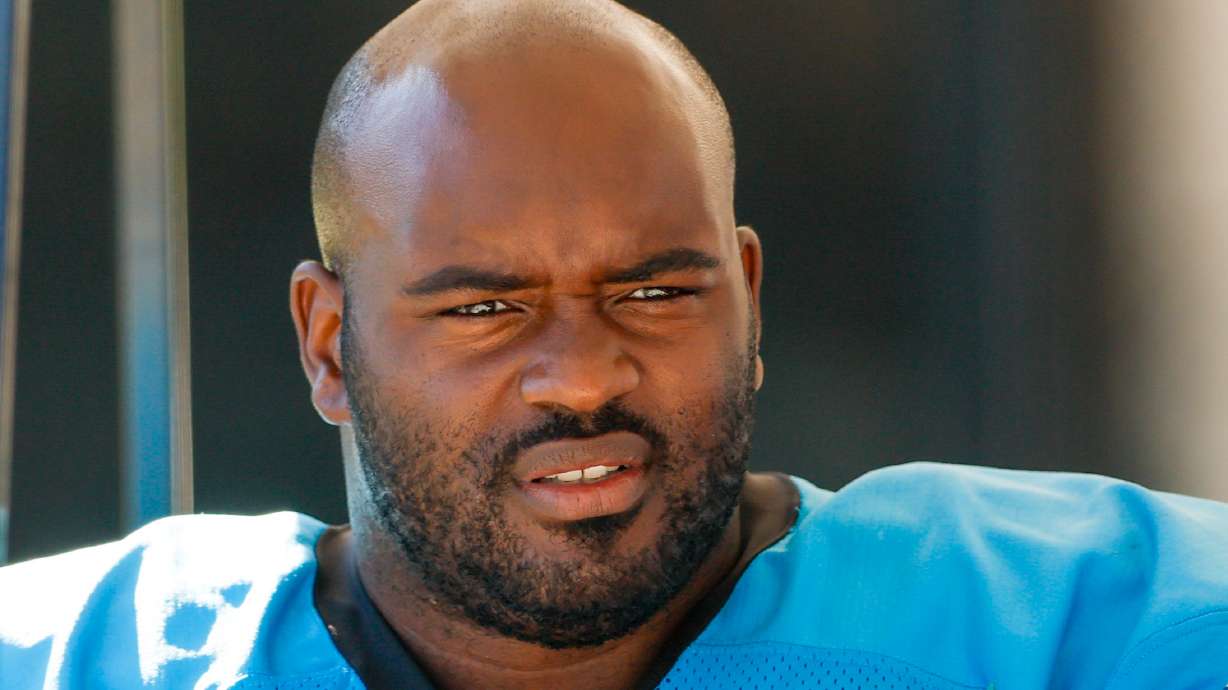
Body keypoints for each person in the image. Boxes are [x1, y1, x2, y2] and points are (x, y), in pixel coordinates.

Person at [3, 0, 1227, 688]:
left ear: (746, 298)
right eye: (484, 307)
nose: (584, 375)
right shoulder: (87, 659)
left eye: (651, 290)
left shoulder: (1069, 626)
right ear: (329, 345)